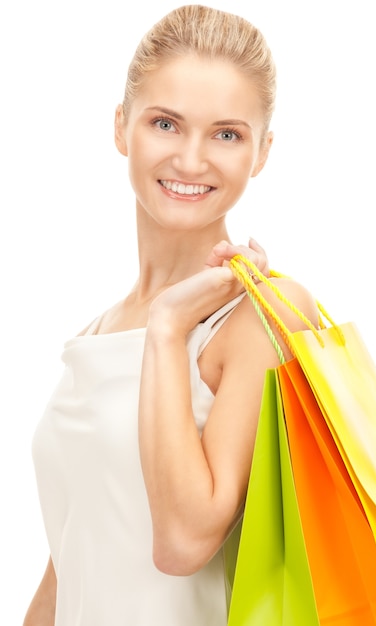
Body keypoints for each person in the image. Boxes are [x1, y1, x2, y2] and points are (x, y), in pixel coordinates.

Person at [23, 5, 318, 625]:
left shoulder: (264, 315)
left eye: (227, 134)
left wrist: (167, 330)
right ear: (121, 126)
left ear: (262, 152)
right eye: (165, 123)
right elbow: (72, 560)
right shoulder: (95, 333)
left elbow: (185, 543)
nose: (190, 160)